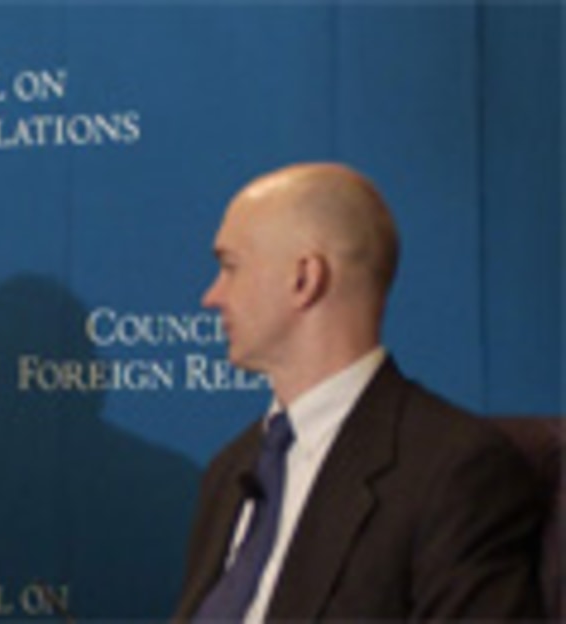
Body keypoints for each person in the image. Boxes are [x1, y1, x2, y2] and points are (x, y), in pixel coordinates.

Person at [172, 163, 543, 621]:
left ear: (304, 278)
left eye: (230, 267)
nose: (212, 296)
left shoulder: (450, 471)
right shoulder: (232, 469)